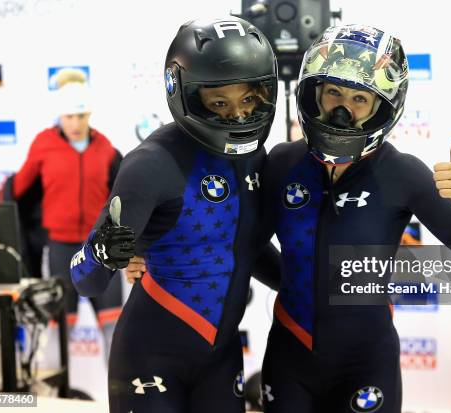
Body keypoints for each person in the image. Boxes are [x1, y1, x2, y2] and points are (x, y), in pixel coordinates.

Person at [260, 24, 451, 413]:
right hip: (290, 355)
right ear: (314, 93)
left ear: (383, 107)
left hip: (366, 361)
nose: (344, 107)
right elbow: (241, 244)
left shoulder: (403, 173)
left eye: (360, 97)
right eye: (334, 92)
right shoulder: (281, 162)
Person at [69, 17, 280, 413]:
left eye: (249, 99)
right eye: (219, 102)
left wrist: (308, 287)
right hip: (150, 357)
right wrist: (103, 252)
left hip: (222, 360)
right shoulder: (150, 164)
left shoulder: (255, 156)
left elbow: (246, 247)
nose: (237, 115)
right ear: (184, 94)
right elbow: (85, 280)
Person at [2, 69, 123, 357]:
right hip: (61, 249)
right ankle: (59, 395)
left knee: (114, 328)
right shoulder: (44, 145)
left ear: (89, 115)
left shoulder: (106, 149)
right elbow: (17, 190)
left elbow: (124, 197)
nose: (76, 123)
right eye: (69, 116)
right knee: (59, 330)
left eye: (81, 116)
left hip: (100, 247)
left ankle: (120, 394)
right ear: (60, 116)